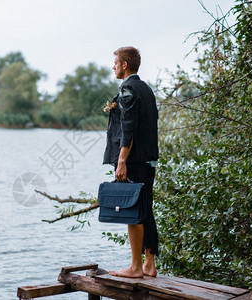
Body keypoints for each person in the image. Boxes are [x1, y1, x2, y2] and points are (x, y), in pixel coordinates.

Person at [103, 46, 159, 278]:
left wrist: (121, 161)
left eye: (115, 62)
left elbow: (129, 128)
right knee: (146, 210)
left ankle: (135, 267)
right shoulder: (146, 89)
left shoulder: (128, 88)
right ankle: (149, 265)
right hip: (149, 159)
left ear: (125, 65)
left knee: (132, 210)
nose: (113, 66)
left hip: (134, 160)